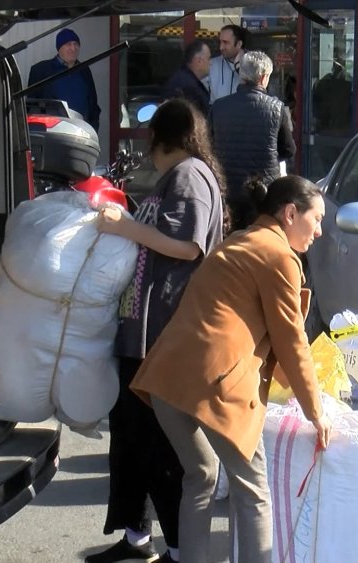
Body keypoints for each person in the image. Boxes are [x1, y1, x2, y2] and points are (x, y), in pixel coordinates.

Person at [129, 175, 332, 563]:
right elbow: (292, 341)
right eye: (317, 219)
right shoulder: (278, 255)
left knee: (200, 476)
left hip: (168, 377)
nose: (320, 231)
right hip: (216, 384)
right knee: (253, 489)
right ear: (291, 213)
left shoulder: (239, 241)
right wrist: (315, 411)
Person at [86, 98, 227, 563]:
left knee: (159, 443)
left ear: (162, 138)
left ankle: (180, 546)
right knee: (129, 435)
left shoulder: (189, 177)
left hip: (162, 333)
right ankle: (135, 536)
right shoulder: (178, 176)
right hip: (141, 330)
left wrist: (125, 227)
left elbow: (188, 246)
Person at [210, 51, 296, 231]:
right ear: (264, 77)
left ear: (241, 76)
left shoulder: (219, 107)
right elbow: (288, 150)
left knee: (229, 243)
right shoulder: (276, 108)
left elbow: (209, 146)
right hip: (264, 192)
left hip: (227, 189)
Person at [28, 28, 101, 131]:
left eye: (76, 44)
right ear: (59, 48)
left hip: (82, 135)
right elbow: (32, 107)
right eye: (68, 44)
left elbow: (93, 107)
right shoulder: (41, 71)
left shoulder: (84, 71)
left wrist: (93, 130)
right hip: (53, 135)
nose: (73, 48)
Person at [161, 40, 212, 116]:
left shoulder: (185, 79)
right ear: (199, 61)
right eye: (209, 58)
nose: (211, 63)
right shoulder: (188, 87)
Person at [208, 24, 247, 104]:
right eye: (220, 42)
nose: (221, 47)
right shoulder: (212, 65)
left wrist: (240, 68)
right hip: (217, 114)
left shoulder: (253, 65)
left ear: (239, 44)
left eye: (226, 43)